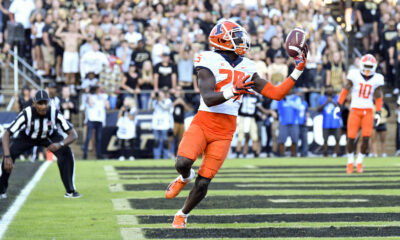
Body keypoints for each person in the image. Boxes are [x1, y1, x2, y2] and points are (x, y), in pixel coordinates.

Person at [165, 21, 307, 228]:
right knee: (182, 163)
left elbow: (276, 94)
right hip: (204, 121)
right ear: (222, 40)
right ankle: (185, 177)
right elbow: (208, 97)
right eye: (237, 37)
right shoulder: (208, 59)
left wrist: (298, 69)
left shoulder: (248, 66)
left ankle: (182, 214)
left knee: (204, 182)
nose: (243, 41)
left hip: (226, 129)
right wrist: (234, 90)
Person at [1, 90, 81, 199]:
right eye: (40, 103)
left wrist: (60, 144)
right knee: (8, 157)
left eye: (45, 103)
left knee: (66, 153)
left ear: (49, 102)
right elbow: (6, 134)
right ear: (34, 103)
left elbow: (73, 134)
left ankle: (70, 190)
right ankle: (1, 190)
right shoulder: (27, 113)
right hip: (27, 137)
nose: (43, 106)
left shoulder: (54, 112)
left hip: (48, 137)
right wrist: (6, 155)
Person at [338, 54, 384, 174]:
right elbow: (345, 89)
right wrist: (339, 105)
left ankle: (359, 162)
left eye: (370, 66)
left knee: (366, 138)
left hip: (368, 111)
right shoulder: (354, 74)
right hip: (355, 110)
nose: (368, 69)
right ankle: (349, 162)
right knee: (351, 137)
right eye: (366, 66)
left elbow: (378, 97)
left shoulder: (377, 78)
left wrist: (378, 112)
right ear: (361, 65)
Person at [318, 85, 341, 157]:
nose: (329, 91)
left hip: (335, 122)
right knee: (325, 139)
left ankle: (336, 153)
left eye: (331, 89)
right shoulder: (322, 98)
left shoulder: (337, 98)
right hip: (326, 123)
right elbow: (318, 109)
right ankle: (325, 152)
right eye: (328, 89)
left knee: (337, 139)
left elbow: (340, 108)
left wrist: (332, 102)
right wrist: (326, 103)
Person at [116, 97, 137, 161]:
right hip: (123, 126)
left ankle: (131, 156)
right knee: (121, 141)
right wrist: (121, 110)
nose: (124, 101)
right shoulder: (123, 108)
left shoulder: (133, 109)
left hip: (130, 126)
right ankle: (122, 156)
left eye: (126, 100)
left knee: (131, 141)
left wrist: (127, 111)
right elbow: (119, 117)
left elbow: (131, 118)